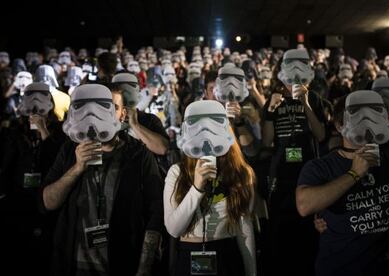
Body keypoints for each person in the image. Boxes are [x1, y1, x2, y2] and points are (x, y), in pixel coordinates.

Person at [39, 84, 163, 276]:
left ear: (122, 114)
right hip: (73, 264)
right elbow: (48, 202)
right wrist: (77, 167)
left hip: (121, 263)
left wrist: (144, 266)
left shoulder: (138, 154)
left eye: (108, 107)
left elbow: (155, 210)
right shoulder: (69, 150)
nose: (97, 114)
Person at [296, 90, 389, 276]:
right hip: (339, 268)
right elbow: (304, 205)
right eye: (358, 115)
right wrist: (354, 174)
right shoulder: (322, 166)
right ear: (340, 126)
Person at [164, 100, 257, 276]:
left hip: (227, 256)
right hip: (188, 256)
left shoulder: (242, 173)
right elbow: (174, 229)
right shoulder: (177, 172)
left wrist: (251, 272)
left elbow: (245, 229)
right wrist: (197, 188)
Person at [261, 48, 325, 275]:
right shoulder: (274, 100)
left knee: (308, 229)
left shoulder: (314, 98)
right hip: (281, 174)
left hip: (308, 172)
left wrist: (306, 104)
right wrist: (269, 111)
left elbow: (320, 135)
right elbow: (267, 141)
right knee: (281, 230)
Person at [0, 82, 65, 275]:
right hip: (18, 197)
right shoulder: (14, 131)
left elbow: (55, 160)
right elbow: (6, 165)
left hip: (46, 196)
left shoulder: (59, 132)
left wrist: (43, 130)